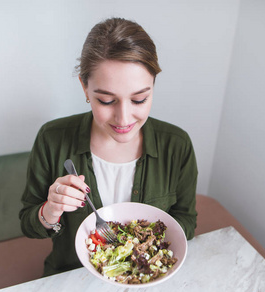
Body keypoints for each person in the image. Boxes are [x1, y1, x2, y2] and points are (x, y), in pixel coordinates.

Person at [19, 17, 198, 276]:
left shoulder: (177, 145)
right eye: (106, 100)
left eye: (139, 99)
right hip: (71, 279)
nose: (124, 119)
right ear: (85, 87)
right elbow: (28, 224)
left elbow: (187, 221)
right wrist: (52, 209)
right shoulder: (52, 138)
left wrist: (144, 244)